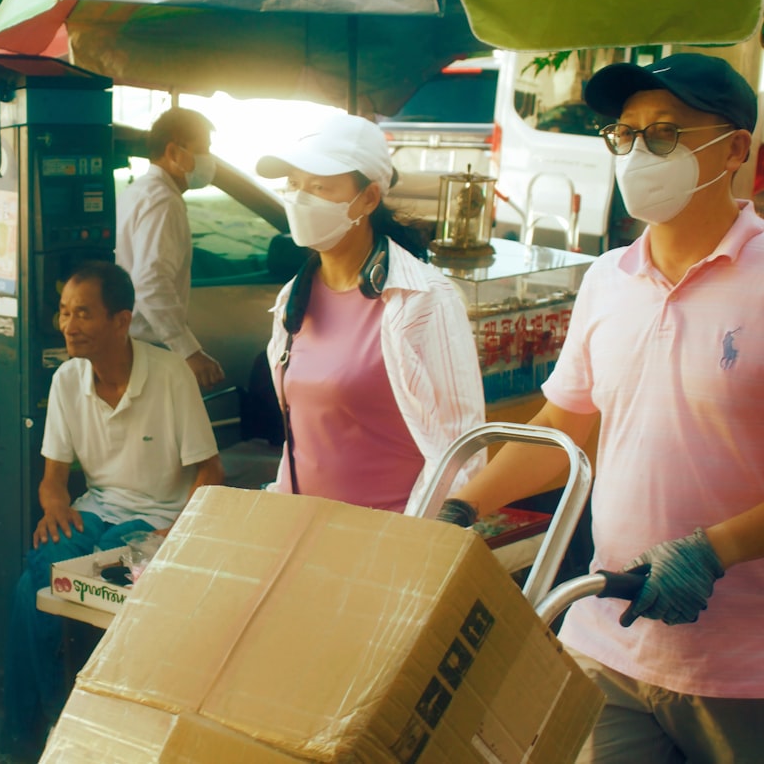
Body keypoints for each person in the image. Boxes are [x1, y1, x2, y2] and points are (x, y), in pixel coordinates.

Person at [437, 53, 764, 763]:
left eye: (667, 133)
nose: (640, 151)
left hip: (745, 672)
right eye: (627, 133)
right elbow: (566, 428)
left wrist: (716, 553)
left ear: (736, 148)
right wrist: (461, 507)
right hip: (606, 638)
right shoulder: (607, 280)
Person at [0, 261, 224, 760]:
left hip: (157, 517)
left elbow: (211, 472)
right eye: (64, 312)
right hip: (95, 508)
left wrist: (177, 533)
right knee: (35, 581)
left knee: (103, 570)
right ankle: (46, 727)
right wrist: (52, 506)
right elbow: (54, 479)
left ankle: (91, 726)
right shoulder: (66, 380)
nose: (68, 325)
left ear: (121, 321)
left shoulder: (169, 375)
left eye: (83, 314)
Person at [255, 114, 485, 512]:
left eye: (320, 186)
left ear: (369, 198)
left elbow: (462, 449)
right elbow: (303, 435)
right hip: (299, 529)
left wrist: (417, 536)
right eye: (294, 184)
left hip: (388, 541)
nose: (300, 198)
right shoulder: (294, 297)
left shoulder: (424, 299)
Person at [115, 107, 225, 389]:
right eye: (203, 150)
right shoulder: (163, 201)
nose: (208, 160)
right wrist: (188, 350)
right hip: (149, 346)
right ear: (174, 152)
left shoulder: (140, 191)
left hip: (131, 343)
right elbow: (151, 281)